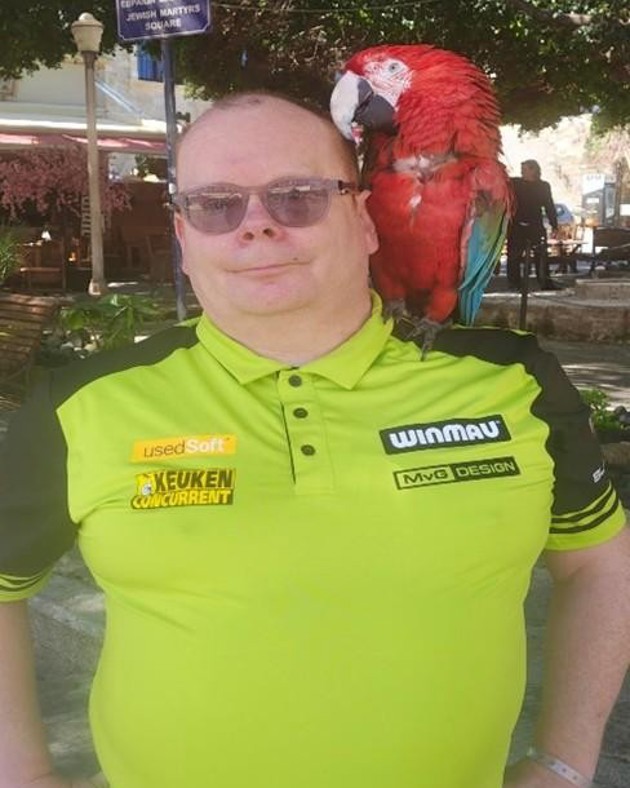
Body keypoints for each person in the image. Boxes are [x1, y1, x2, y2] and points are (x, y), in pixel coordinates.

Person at [0, 93, 628, 788]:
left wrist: (563, 763)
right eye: (216, 205)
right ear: (184, 237)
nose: (258, 227)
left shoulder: (515, 381)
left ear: (363, 219)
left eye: (297, 196)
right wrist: (23, 773)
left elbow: (600, 564)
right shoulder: (81, 406)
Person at [506, 159, 560, 291]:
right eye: (521, 170)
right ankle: (514, 284)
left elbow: (549, 206)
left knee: (540, 255)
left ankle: (544, 281)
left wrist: (554, 225)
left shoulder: (543, 186)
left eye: (525, 170)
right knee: (514, 256)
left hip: (535, 225)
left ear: (534, 170)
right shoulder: (515, 183)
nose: (522, 172)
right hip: (517, 226)